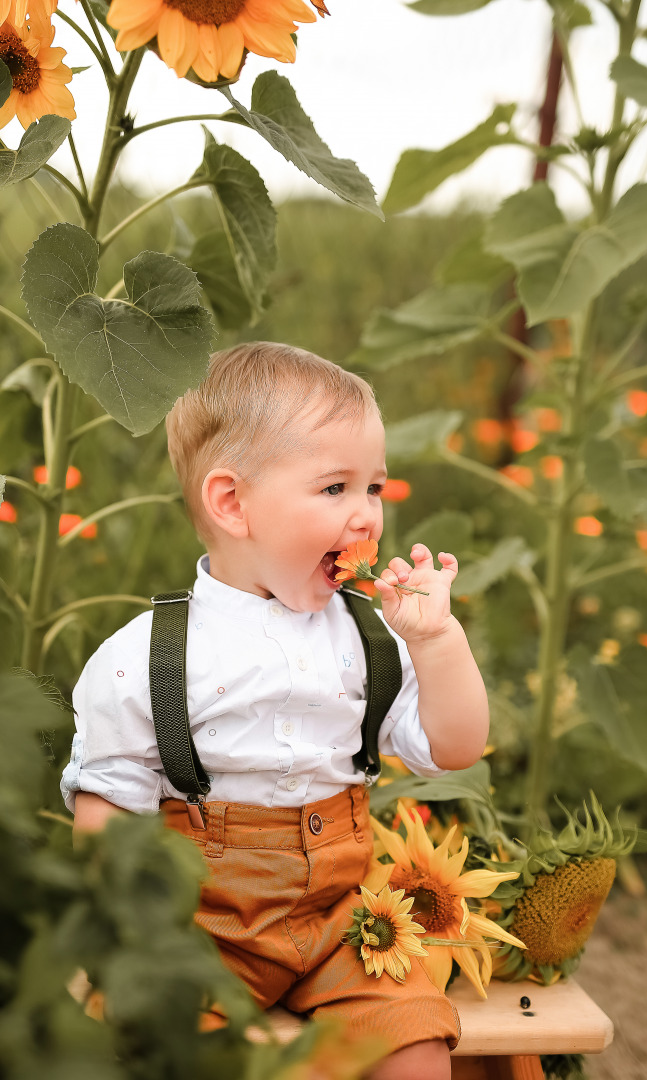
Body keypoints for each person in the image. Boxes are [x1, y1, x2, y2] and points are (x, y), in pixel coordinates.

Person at [62, 342, 490, 1080]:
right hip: (199, 927)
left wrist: (438, 640)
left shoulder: (370, 637)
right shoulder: (151, 655)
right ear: (232, 504)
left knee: (415, 1044)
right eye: (335, 489)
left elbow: (454, 748)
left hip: (342, 922)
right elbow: (109, 806)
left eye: (375, 489)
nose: (365, 518)